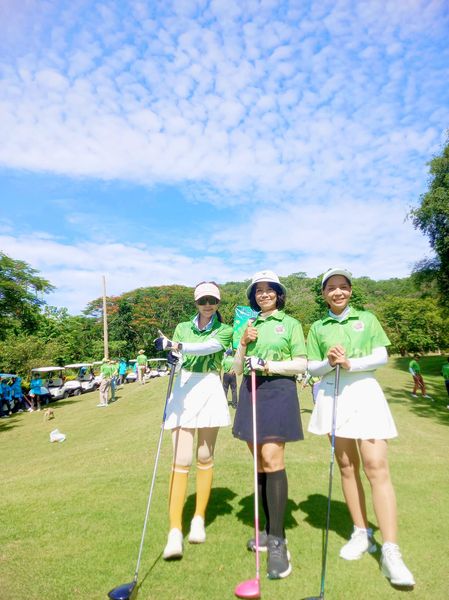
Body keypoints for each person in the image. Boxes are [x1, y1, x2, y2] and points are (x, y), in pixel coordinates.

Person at [307, 267, 415, 587]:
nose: (337, 292)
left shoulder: (366, 319)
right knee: (346, 466)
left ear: (350, 290)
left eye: (343, 287)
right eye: (331, 287)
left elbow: (381, 355)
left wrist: (350, 362)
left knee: (376, 465)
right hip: (332, 394)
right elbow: (311, 366)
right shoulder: (316, 326)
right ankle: (361, 532)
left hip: (365, 392)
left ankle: (391, 551)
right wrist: (329, 360)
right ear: (324, 293)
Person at [232, 270, 307, 580]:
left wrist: (267, 365)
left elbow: (301, 363)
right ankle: (266, 532)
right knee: (259, 465)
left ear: (278, 293)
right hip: (251, 391)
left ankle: (278, 540)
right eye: (258, 291)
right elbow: (236, 368)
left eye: (269, 289)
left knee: (273, 459)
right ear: (254, 297)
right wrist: (243, 345)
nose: (263, 294)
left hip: (278, 391)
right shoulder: (248, 325)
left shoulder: (289, 324)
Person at [154, 281, 233, 560]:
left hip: (210, 385)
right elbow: (180, 354)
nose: (208, 305)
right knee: (181, 458)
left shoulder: (225, 330)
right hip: (185, 387)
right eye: (203, 301)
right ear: (196, 303)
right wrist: (173, 354)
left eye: (212, 300)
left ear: (218, 302)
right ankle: (174, 531)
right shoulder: (182, 327)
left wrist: (177, 345)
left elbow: (209, 348)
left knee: (204, 455)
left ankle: (198, 517)